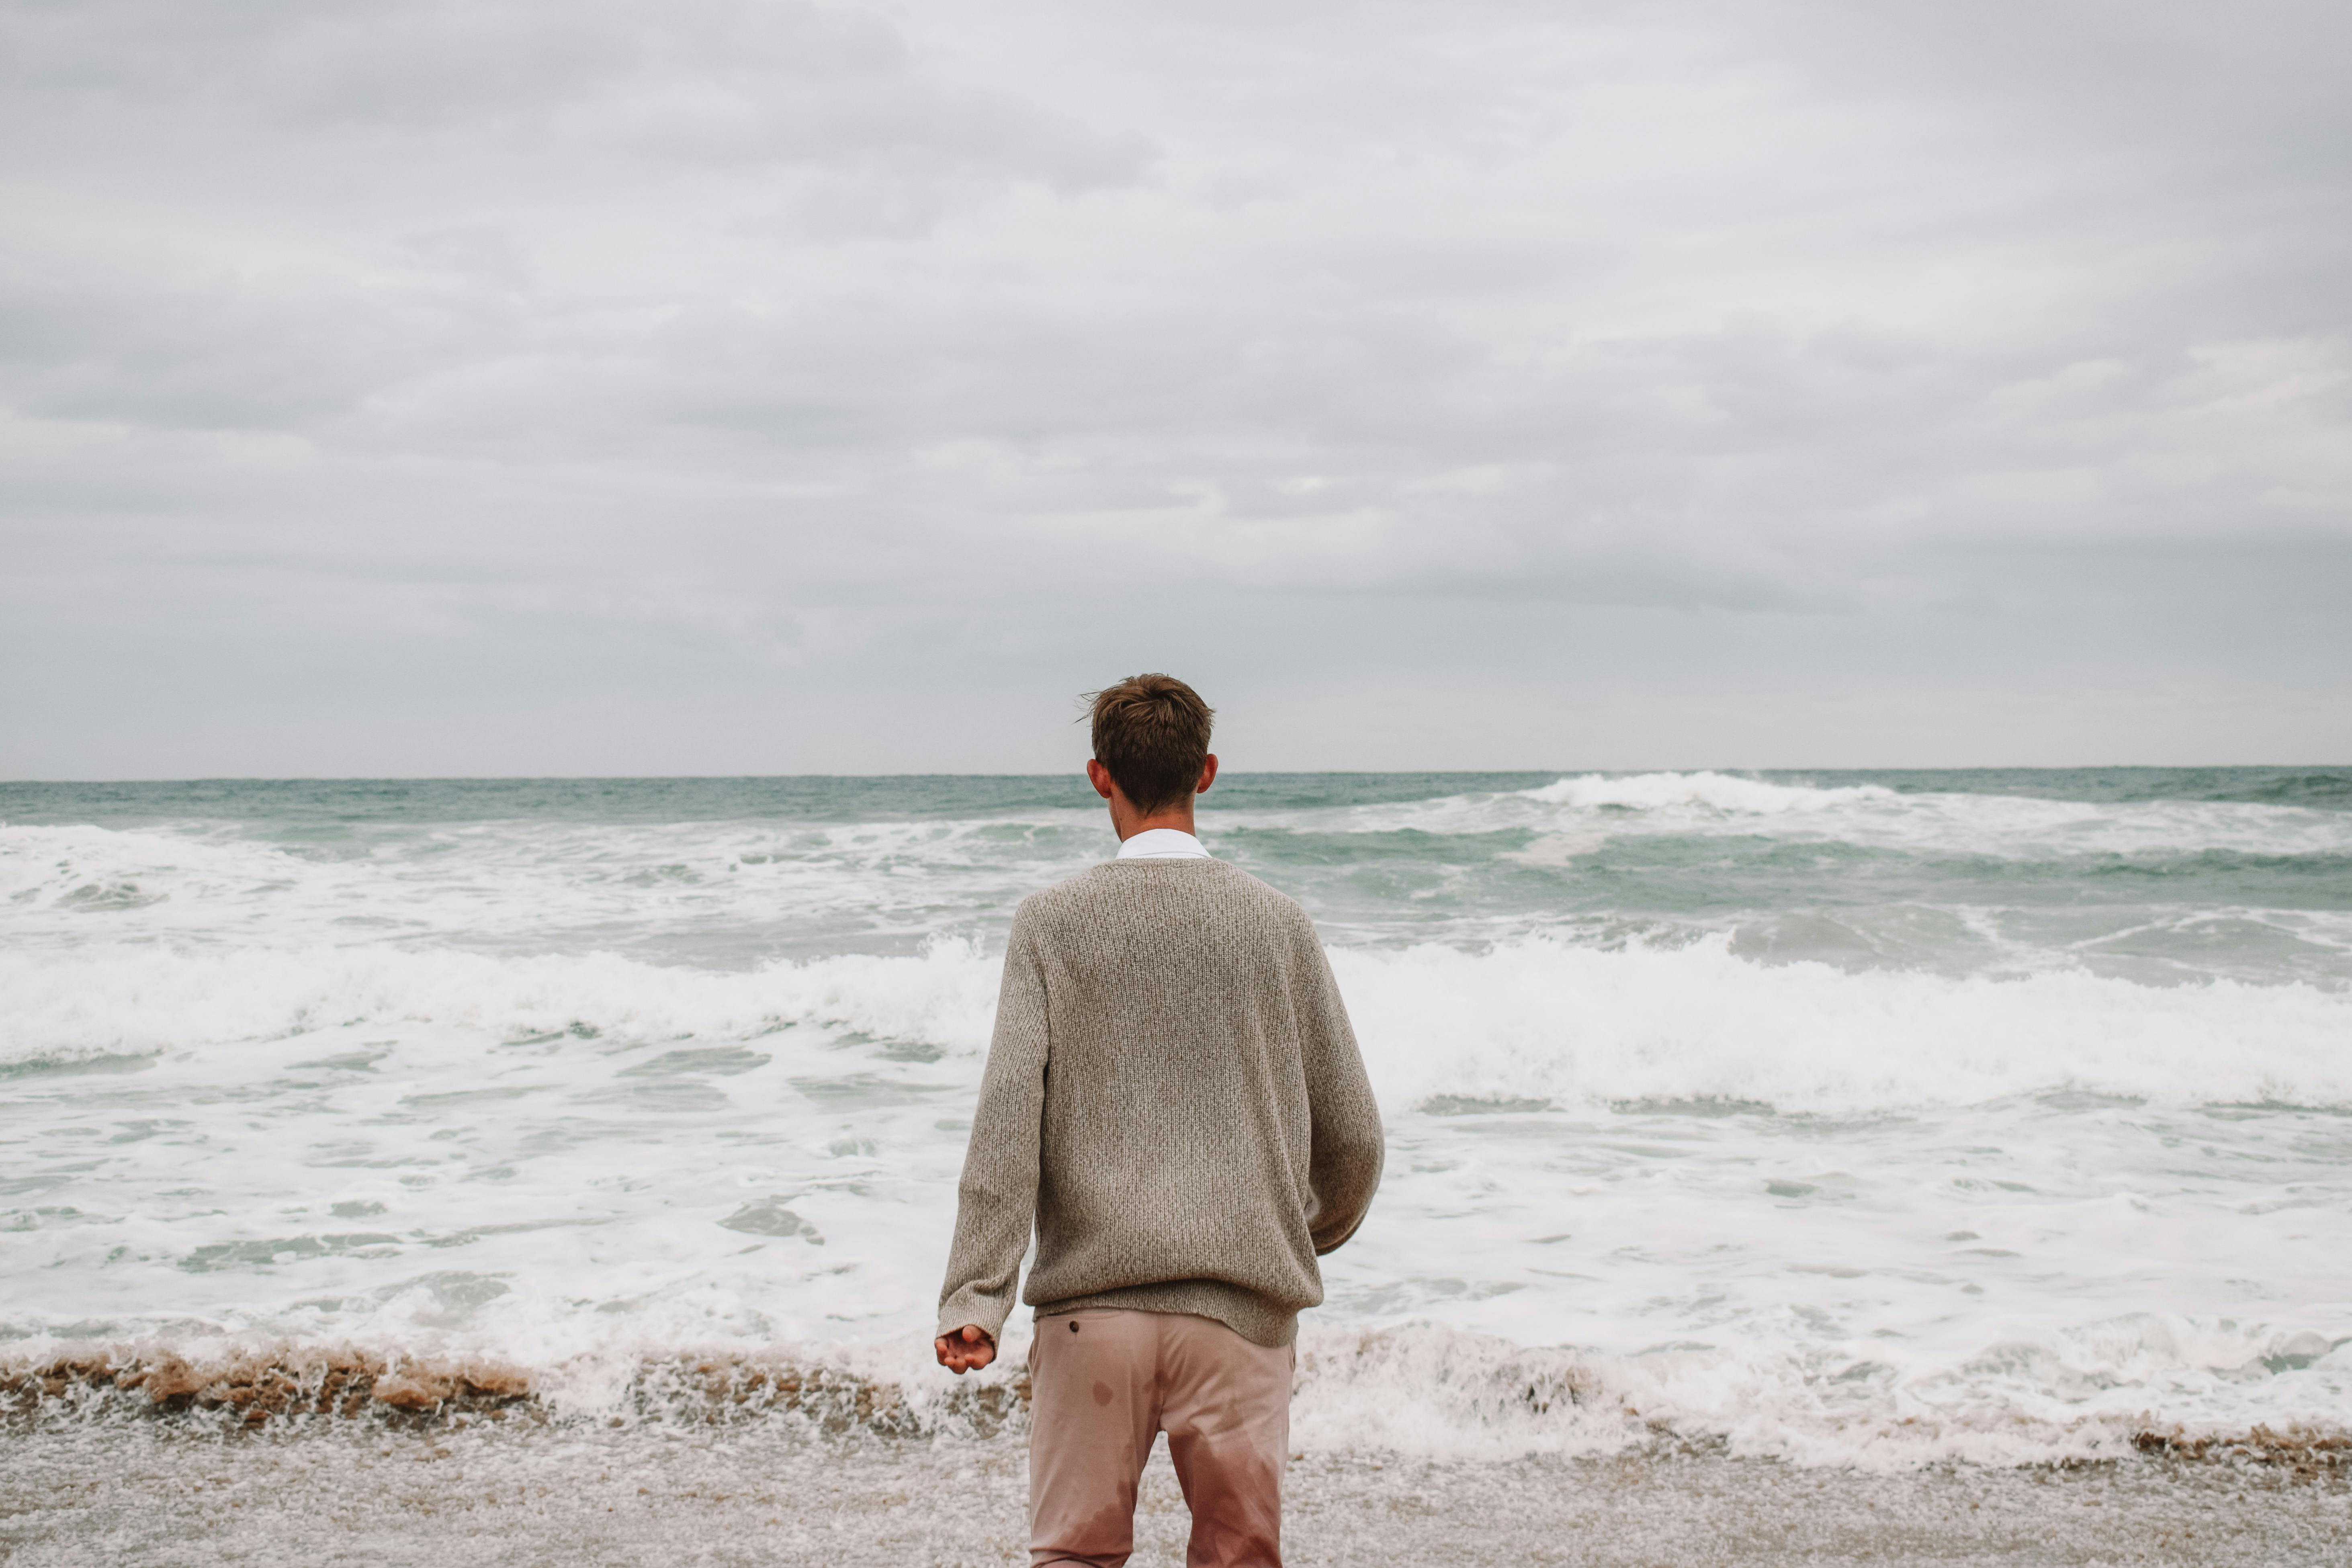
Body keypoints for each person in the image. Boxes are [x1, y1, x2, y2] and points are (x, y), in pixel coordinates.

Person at [933, 672, 1385, 1568]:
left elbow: (1007, 1118)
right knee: (1238, 1556)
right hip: (1238, 1311)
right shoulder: (1276, 923)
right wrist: (1294, 1235)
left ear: (1099, 777)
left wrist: (976, 1292)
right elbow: (1354, 1136)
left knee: (1074, 1557)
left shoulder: (1050, 923)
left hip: (1088, 1316)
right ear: (1206, 772)